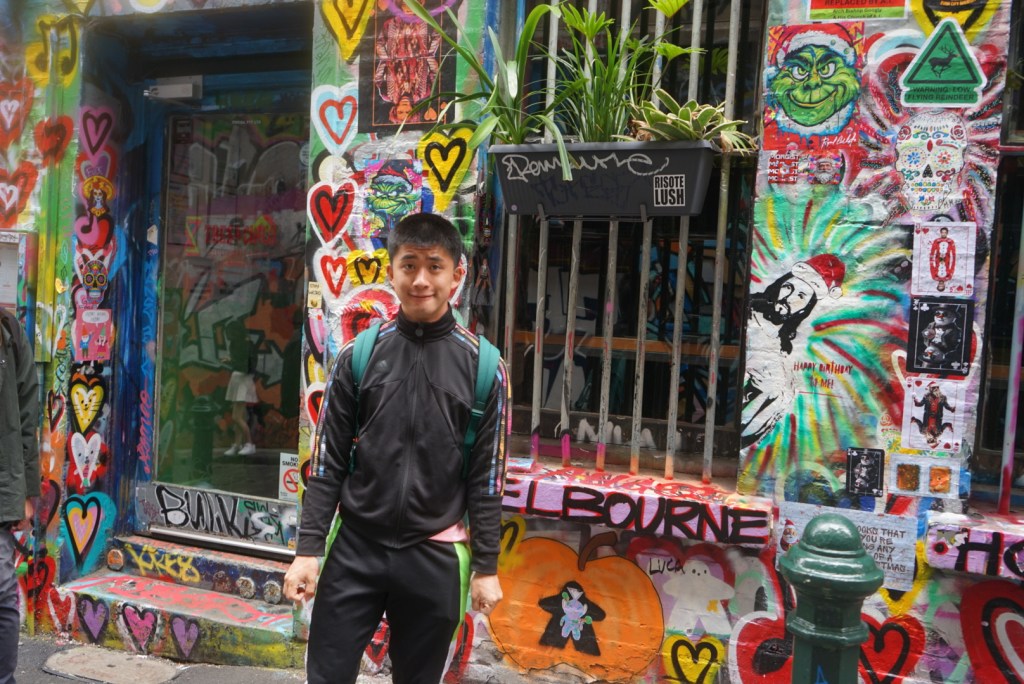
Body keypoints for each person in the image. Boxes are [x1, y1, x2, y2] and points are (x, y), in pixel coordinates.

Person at [283, 213, 509, 684]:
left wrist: (486, 567)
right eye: (409, 265)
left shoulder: (485, 368)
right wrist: (308, 551)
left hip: (435, 555)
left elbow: (487, 477)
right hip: (355, 548)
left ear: (457, 276)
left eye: (434, 266)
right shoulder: (359, 356)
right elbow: (326, 462)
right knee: (326, 675)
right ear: (392, 272)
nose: (421, 279)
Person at [1, 306, 40, 684]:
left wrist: (26, 491)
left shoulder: (8, 332)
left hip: (1, 485)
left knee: (1, 591)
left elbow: (28, 414)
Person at [222, 318, 256, 456]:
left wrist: (232, 361)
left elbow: (244, 364)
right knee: (239, 416)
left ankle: (249, 443)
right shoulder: (241, 344)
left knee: (237, 417)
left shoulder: (243, 345)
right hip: (239, 379)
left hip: (242, 380)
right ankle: (237, 444)